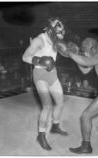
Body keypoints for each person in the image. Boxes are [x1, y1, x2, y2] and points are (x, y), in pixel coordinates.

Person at [22, 17, 69, 151]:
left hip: (53, 74)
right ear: (49, 29)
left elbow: (63, 52)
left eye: (61, 28)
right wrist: (39, 60)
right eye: (57, 28)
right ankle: (41, 135)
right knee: (47, 106)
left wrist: (71, 51)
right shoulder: (39, 40)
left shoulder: (56, 39)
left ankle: (55, 126)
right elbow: (25, 57)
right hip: (40, 75)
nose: (60, 31)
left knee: (60, 102)